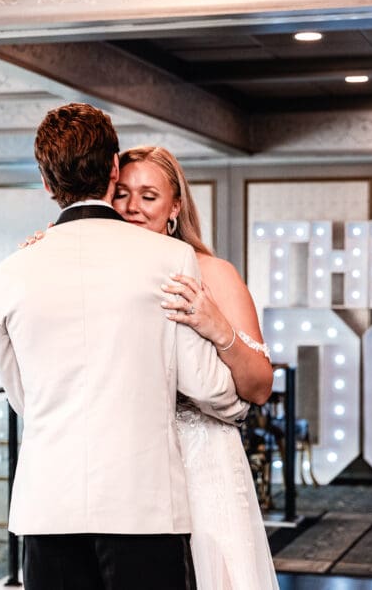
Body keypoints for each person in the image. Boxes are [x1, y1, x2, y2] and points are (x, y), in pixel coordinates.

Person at [0, 102, 250, 589]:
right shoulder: (169, 258)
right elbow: (206, 386)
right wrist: (236, 403)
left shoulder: (7, 273)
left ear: (46, 183)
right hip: (143, 506)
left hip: (47, 506)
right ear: (113, 169)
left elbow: (21, 396)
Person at [114, 145, 279, 589]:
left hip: (204, 468)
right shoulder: (105, 275)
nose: (132, 207)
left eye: (148, 196)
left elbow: (260, 386)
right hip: (130, 472)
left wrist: (217, 325)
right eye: (121, 194)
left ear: (175, 206)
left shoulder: (214, 272)